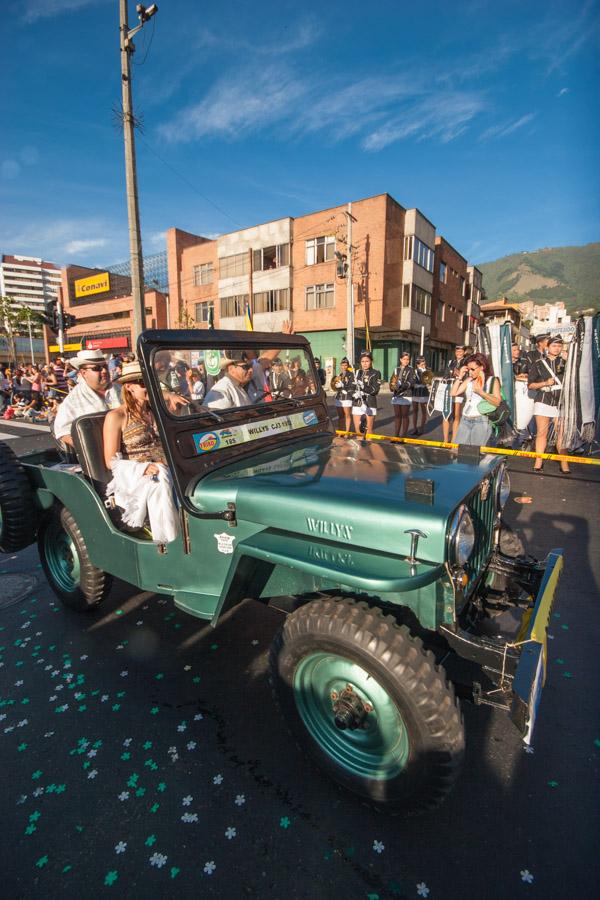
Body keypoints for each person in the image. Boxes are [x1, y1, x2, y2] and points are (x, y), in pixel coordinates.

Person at [103, 361, 179, 544]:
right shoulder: (117, 416)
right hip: (139, 475)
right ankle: (168, 540)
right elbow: (110, 461)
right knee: (162, 478)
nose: (149, 386)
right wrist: (143, 468)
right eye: (142, 382)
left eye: (151, 381)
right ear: (129, 386)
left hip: (167, 467)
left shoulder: (158, 412)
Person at [52, 349, 120, 447]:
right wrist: (89, 448)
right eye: (97, 368)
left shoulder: (121, 390)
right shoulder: (73, 400)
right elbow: (63, 432)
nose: (104, 371)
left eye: (105, 366)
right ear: (83, 373)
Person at [527, 335, 569, 473]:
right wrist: (545, 383)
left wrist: (569, 361)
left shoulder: (566, 363)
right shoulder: (538, 363)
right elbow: (531, 385)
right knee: (542, 433)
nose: (557, 348)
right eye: (554, 346)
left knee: (561, 434)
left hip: (561, 401)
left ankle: (564, 462)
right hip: (543, 400)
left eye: (559, 346)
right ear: (547, 347)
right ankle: (538, 461)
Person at [451, 352, 502, 446]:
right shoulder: (469, 380)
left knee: (474, 453)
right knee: (457, 450)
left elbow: (497, 402)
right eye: (468, 369)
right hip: (465, 418)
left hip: (481, 420)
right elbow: (453, 393)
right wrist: (460, 376)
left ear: (482, 367)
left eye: (473, 369)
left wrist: (481, 392)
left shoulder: (492, 380)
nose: (470, 372)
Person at [352, 351, 382, 436]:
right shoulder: (357, 372)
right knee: (358, 432)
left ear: (371, 361)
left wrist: (363, 388)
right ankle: (360, 449)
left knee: (369, 431)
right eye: (362, 361)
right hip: (357, 402)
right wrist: (354, 393)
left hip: (370, 403)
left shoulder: (376, 373)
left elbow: (375, 390)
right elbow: (352, 387)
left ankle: (370, 448)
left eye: (367, 361)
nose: (364, 364)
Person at [443, 346, 467, 442]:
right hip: (448, 390)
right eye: (457, 351)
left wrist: (454, 372)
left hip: (459, 390)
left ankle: (453, 440)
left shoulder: (466, 362)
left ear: (464, 352)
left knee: (456, 415)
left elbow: (465, 376)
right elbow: (445, 375)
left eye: (461, 351)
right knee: (446, 414)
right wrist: (455, 373)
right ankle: (445, 440)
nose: (459, 353)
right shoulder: (450, 362)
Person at [390, 352, 416, 437]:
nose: (406, 361)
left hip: (406, 394)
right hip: (396, 395)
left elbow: (412, 382)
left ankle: (403, 435)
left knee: (404, 415)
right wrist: (392, 386)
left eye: (407, 359)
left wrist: (402, 385)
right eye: (404, 359)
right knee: (397, 416)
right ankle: (396, 435)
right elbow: (392, 381)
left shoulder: (411, 369)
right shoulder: (396, 369)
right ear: (400, 359)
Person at [333, 357, 355, 432]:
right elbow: (334, 385)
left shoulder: (351, 375)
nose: (344, 367)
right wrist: (336, 386)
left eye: (346, 365)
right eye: (342, 365)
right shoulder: (339, 374)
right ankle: (340, 431)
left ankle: (347, 432)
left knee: (347, 415)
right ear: (340, 365)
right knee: (340, 416)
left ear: (348, 366)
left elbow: (352, 386)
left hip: (347, 397)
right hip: (339, 398)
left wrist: (343, 386)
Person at [411, 356, 431, 436]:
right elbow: (413, 381)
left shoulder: (427, 371)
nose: (423, 365)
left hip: (424, 392)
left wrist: (424, 372)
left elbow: (428, 382)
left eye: (424, 364)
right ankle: (415, 428)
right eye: (422, 364)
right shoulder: (414, 371)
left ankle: (422, 428)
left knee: (423, 411)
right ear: (417, 364)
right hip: (415, 392)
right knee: (415, 411)